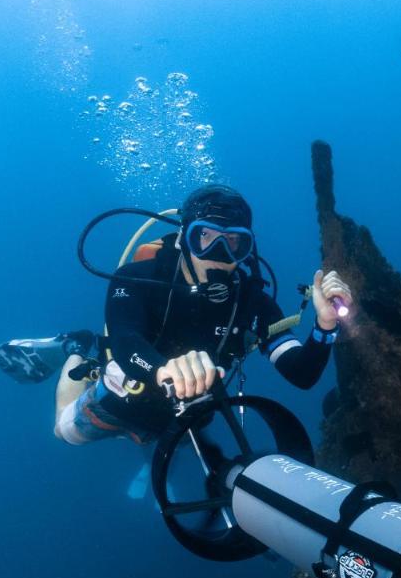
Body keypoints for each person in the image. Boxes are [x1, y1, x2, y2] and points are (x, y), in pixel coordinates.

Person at [47, 183, 353, 445]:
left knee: (168, 446)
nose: (220, 254)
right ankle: (75, 347)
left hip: (186, 413)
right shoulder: (135, 279)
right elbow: (125, 340)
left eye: (234, 242)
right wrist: (161, 370)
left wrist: (325, 326)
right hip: (123, 395)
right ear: (183, 239)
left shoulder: (251, 302)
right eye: (204, 237)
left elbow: (301, 373)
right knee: (65, 432)